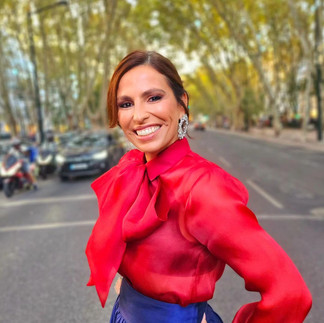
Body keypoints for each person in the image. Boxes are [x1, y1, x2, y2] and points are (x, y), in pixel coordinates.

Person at [85, 50, 312, 323]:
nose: (139, 115)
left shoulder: (202, 187)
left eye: (154, 98)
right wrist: (129, 289)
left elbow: (290, 293)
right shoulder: (132, 172)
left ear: (182, 103)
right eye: (126, 104)